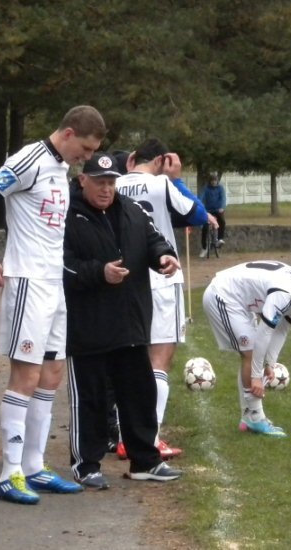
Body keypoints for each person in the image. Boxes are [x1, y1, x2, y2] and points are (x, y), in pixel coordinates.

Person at [0, 105, 106, 505]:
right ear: (68, 133)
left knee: (52, 373)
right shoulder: (29, 159)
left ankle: (33, 466)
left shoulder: (60, 168)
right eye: (85, 148)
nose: (86, 157)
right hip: (27, 281)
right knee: (25, 376)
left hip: (54, 282)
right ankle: (9, 473)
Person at [65, 152, 183, 489]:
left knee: (139, 394)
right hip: (89, 325)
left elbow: (154, 240)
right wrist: (99, 272)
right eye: (99, 182)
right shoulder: (67, 216)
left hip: (131, 323)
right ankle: (86, 465)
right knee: (91, 399)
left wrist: (164, 256)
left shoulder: (132, 210)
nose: (106, 189)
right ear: (82, 180)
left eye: (111, 182)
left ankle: (145, 460)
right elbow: (61, 265)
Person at [114, 137, 213, 460]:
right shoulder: (161, 184)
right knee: (159, 360)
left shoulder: (114, 184)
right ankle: (149, 438)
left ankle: (124, 437)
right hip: (161, 276)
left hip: (122, 277)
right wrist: (176, 179)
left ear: (133, 157)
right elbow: (198, 214)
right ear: (160, 161)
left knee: (130, 360)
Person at [202, 261, 291, 437]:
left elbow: (282, 329)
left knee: (251, 353)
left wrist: (270, 364)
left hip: (240, 300)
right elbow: (264, 333)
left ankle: (248, 417)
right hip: (223, 294)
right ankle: (256, 417)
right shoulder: (286, 294)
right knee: (250, 353)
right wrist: (256, 377)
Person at [200, 173, 226, 257]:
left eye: (215, 180)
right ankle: (204, 248)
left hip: (218, 210)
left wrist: (222, 207)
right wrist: (200, 206)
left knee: (222, 221)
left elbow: (223, 198)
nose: (214, 182)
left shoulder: (220, 188)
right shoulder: (206, 188)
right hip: (208, 210)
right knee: (204, 227)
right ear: (210, 181)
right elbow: (201, 197)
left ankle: (220, 239)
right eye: (212, 180)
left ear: (217, 181)